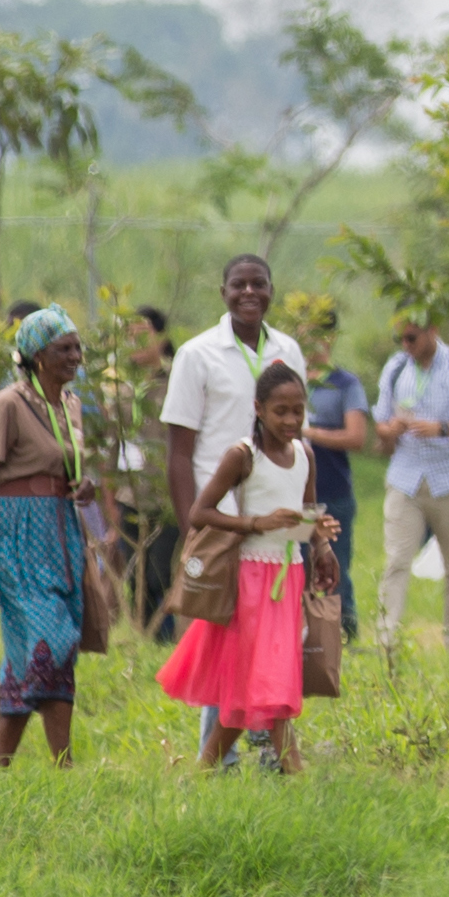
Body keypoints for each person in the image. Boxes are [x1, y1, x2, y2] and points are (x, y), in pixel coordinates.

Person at [160, 363, 333, 774]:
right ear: (258, 408)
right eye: (281, 411)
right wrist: (256, 524)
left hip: (288, 577)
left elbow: (308, 513)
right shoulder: (243, 455)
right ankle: (297, 777)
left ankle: (201, 772)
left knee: (253, 686)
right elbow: (201, 512)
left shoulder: (304, 454)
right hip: (250, 582)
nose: (291, 420)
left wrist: (322, 543)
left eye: (298, 410)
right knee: (271, 685)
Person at [159, 256, 305, 708]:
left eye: (258, 284)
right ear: (223, 292)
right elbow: (180, 453)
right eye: (238, 285)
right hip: (220, 520)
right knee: (217, 635)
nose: (249, 293)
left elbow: (298, 441)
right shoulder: (197, 354)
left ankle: (262, 737)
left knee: (269, 633)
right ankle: (217, 752)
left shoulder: (288, 349)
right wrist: (193, 529)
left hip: (273, 521)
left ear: (271, 291)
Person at [0, 306, 96, 768]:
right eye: (64, 349)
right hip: (16, 534)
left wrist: (85, 483)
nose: (75, 356)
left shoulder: (70, 403)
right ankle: (64, 763)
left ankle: (2, 765)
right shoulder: (9, 404)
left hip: (61, 530)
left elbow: (70, 462)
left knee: (43, 645)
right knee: (48, 638)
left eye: (77, 347)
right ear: (37, 357)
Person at [373, 313, 449, 653]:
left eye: (412, 338)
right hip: (405, 478)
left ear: (433, 331)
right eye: (401, 339)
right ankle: (388, 643)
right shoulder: (397, 368)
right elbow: (379, 424)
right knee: (396, 561)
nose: (406, 346)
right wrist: (392, 428)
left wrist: (443, 428)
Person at [299, 310, 372, 638]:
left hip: (333, 491)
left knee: (335, 564)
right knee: (300, 565)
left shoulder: (345, 383)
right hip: (296, 492)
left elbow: (356, 437)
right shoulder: (290, 379)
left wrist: (308, 433)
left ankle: (344, 632)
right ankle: (305, 634)